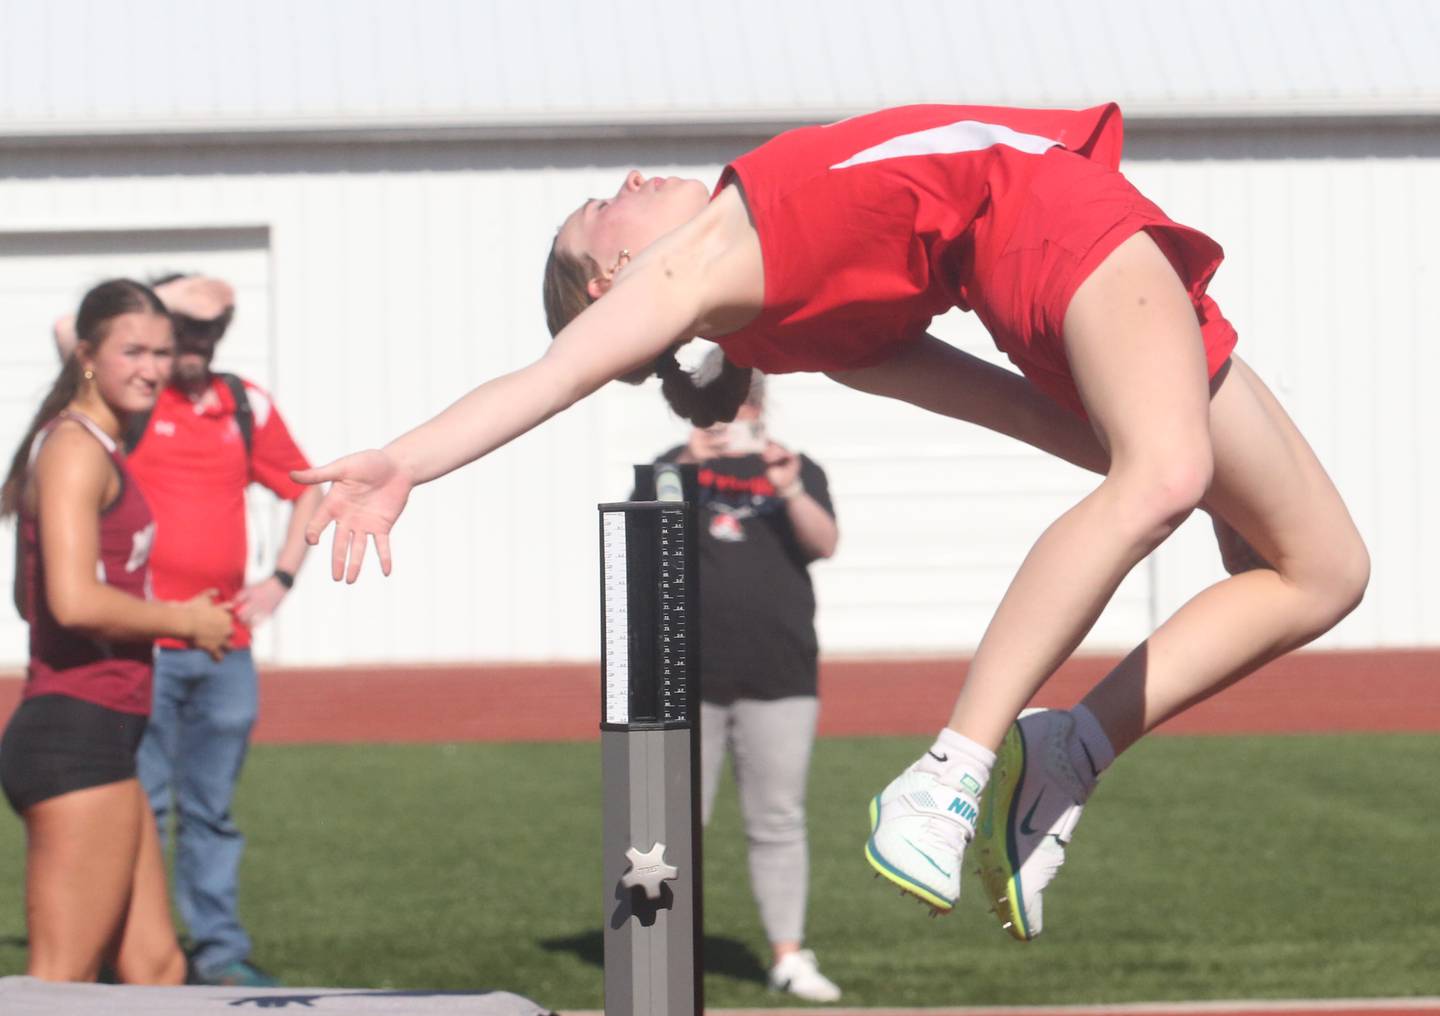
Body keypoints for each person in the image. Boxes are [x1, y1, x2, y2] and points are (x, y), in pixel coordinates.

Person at [295, 103, 1370, 939]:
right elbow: (555, 375)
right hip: (1055, 220)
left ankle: (1069, 748)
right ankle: (950, 772)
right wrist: (407, 461)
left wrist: (1147, 446)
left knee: (1322, 566)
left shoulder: (795, 307)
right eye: (599, 209)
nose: (625, 180)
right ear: (617, 279)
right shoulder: (719, 270)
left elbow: (1057, 425)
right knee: (1165, 474)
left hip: (1062, 224)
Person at [0, 278, 235, 983]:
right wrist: (182, 620)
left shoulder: (91, 444)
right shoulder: (74, 447)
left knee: (156, 967)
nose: (152, 367)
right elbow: (69, 602)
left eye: (162, 352)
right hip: (74, 734)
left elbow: (25, 596)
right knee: (61, 982)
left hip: (105, 732)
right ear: (86, 357)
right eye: (132, 350)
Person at [124, 274, 322, 986]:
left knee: (211, 811)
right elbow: (71, 340)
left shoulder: (243, 404)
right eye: (182, 324)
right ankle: (138, 954)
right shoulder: (129, 396)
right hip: (141, 645)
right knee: (139, 809)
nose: (196, 340)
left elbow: (309, 487)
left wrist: (282, 580)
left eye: (211, 327)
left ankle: (218, 952)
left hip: (223, 648)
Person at [643, 359, 841, 1000]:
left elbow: (824, 543)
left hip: (780, 671)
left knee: (778, 819)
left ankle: (788, 955)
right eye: (717, 414)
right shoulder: (670, 469)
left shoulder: (794, 467)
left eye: (741, 413)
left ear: (760, 411)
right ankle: (659, 951)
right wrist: (684, 464)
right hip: (686, 675)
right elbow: (646, 546)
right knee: (670, 823)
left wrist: (786, 487)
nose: (731, 426)